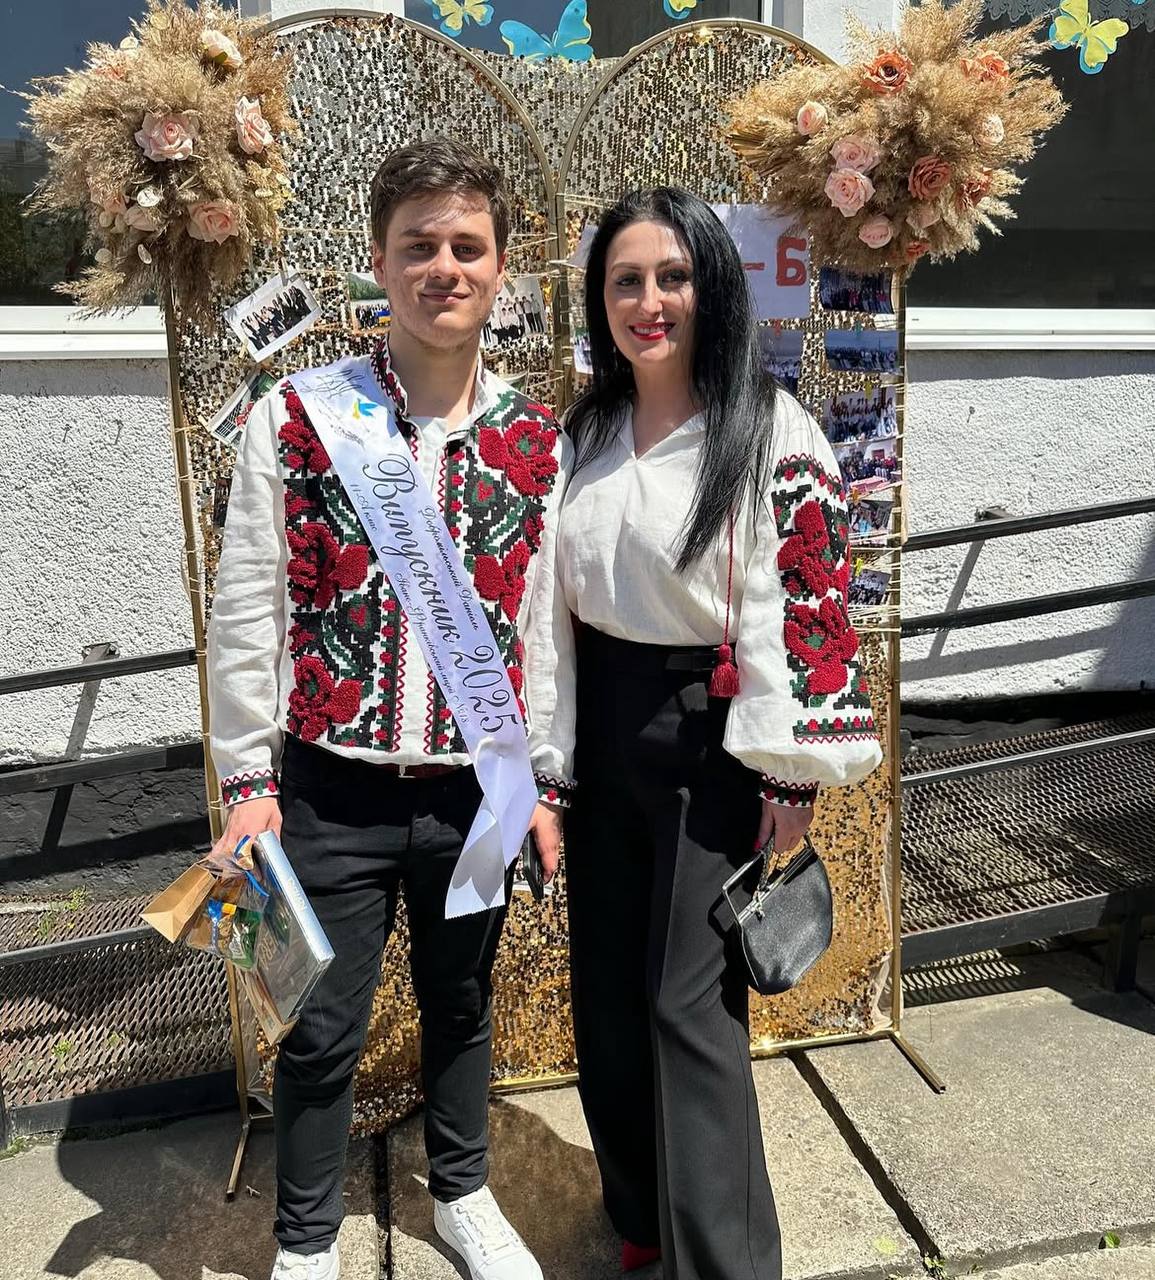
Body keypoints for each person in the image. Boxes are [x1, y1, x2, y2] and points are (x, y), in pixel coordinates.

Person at [207, 136, 572, 1280]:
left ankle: (462, 1194)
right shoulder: (297, 417)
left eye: (467, 246)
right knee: (316, 1023)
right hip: (329, 789)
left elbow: (544, 632)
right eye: (419, 245)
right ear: (379, 259)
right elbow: (247, 608)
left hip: (477, 790)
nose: (443, 267)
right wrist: (246, 782)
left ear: (500, 268)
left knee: (463, 1004)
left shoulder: (538, 441)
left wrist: (543, 778)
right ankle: (306, 1240)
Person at [547, 187, 882, 1280]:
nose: (648, 301)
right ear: (599, 300)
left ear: (713, 287)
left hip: (711, 733)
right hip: (602, 728)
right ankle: (643, 1217)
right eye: (625, 280)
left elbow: (804, 601)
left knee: (686, 1006)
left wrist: (790, 773)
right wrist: (548, 763)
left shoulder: (768, 425)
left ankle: (727, 1263)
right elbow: (548, 609)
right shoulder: (585, 431)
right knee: (606, 996)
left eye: (672, 276)